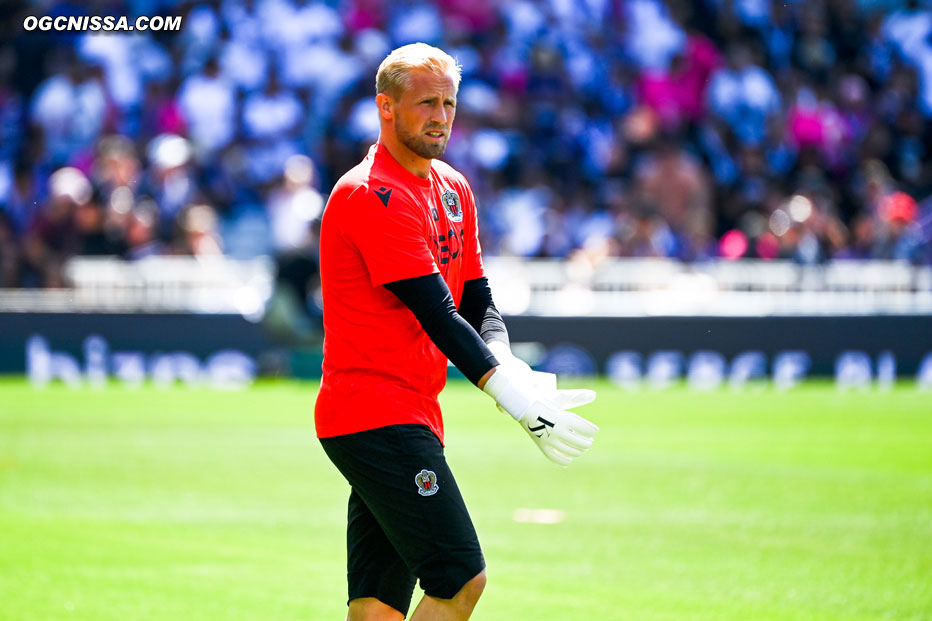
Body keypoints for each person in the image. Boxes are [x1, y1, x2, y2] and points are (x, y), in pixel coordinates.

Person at [315, 43, 600, 621]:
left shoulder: (451, 187)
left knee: (377, 606)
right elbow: (436, 313)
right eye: (426, 103)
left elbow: (476, 299)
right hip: (375, 413)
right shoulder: (372, 194)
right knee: (461, 578)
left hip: (405, 412)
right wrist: (514, 397)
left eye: (449, 102)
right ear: (386, 107)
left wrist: (505, 358)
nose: (441, 116)